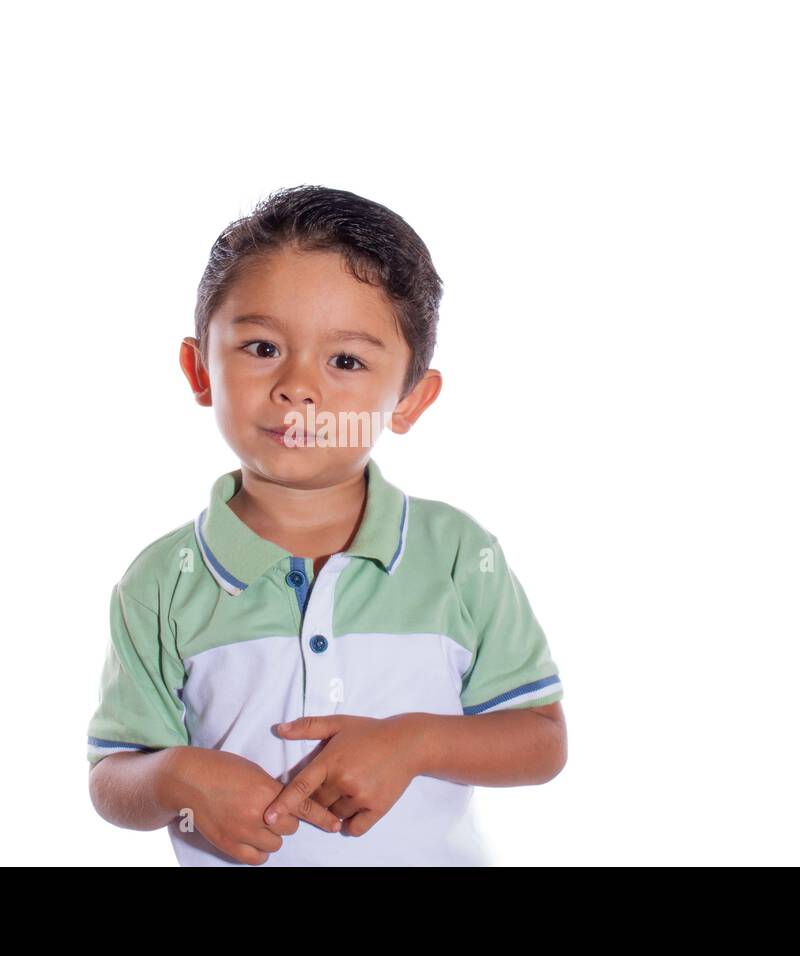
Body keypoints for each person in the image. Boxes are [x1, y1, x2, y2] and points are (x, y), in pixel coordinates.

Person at [86, 185, 567, 865]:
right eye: (260, 347)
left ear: (410, 400)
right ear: (201, 370)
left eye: (346, 361)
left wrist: (417, 740)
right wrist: (173, 778)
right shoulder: (163, 581)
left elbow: (542, 740)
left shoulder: (458, 554)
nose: (298, 386)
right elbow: (113, 776)